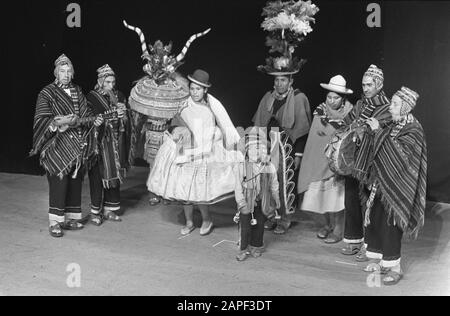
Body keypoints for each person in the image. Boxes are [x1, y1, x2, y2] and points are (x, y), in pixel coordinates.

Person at [147, 69, 243, 236]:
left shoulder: (210, 107)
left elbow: (219, 127)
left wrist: (213, 141)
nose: (194, 92)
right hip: (186, 149)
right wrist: (177, 133)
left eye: (198, 89)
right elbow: (175, 122)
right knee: (184, 188)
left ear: (205, 90)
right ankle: (189, 221)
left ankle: (207, 219)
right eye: (192, 88)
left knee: (199, 189)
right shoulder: (184, 104)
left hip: (203, 151)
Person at [355, 87, 426, 285]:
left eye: (395, 104)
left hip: (399, 187)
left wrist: (378, 131)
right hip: (379, 182)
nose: (391, 107)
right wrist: (366, 134)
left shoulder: (413, 129)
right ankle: (377, 259)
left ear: (405, 107)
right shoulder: (391, 124)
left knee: (391, 226)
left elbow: (401, 158)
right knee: (375, 219)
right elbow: (379, 147)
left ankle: (394, 266)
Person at [30, 54, 102, 237]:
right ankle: (55, 221)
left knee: (75, 181)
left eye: (69, 71)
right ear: (56, 72)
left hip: (77, 144)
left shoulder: (78, 91)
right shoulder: (47, 93)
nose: (66, 74)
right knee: (59, 182)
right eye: (62, 71)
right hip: (57, 146)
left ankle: (71, 218)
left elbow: (86, 113)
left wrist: (95, 120)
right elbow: (41, 119)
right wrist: (58, 122)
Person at [253, 64, 312, 235]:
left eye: (283, 80)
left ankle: (285, 219)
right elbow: (260, 124)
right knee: (268, 181)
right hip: (269, 145)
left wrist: (299, 154)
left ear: (290, 81)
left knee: (285, 184)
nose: (279, 83)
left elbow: (302, 130)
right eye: (277, 80)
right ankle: (272, 216)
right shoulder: (268, 98)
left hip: (288, 148)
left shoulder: (299, 98)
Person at [340, 64, 391, 260]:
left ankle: (370, 246)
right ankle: (354, 240)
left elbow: (383, 133)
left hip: (372, 163)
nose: (366, 88)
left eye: (369, 84)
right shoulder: (361, 105)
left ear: (379, 84)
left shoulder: (387, 107)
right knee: (351, 199)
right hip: (354, 161)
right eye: (363, 85)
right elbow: (347, 124)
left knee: (370, 205)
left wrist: (364, 131)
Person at [298, 75, 353, 243]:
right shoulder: (320, 111)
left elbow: (347, 140)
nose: (331, 101)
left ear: (343, 98)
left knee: (336, 198)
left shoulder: (349, 114)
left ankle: (339, 229)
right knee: (321, 197)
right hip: (318, 161)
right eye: (329, 97)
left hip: (335, 163)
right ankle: (327, 224)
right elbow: (314, 140)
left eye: (336, 98)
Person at [86, 64, 132, 225]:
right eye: (107, 82)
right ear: (100, 82)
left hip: (115, 142)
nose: (111, 86)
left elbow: (127, 121)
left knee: (114, 174)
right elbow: (89, 120)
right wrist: (99, 121)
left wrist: (123, 114)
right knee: (97, 177)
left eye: (113, 82)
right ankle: (95, 212)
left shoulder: (119, 95)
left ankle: (109, 209)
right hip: (99, 143)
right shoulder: (91, 97)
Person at [234, 127, 280, 261]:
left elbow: (274, 183)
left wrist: (276, 198)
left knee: (259, 225)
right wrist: (241, 202)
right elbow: (237, 186)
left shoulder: (269, 167)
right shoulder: (242, 167)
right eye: (253, 148)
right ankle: (243, 249)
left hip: (262, 201)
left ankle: (256, 246)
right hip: (246, 202)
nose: (257, 151)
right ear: (247, 151)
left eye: (260, 148)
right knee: (245, 227)